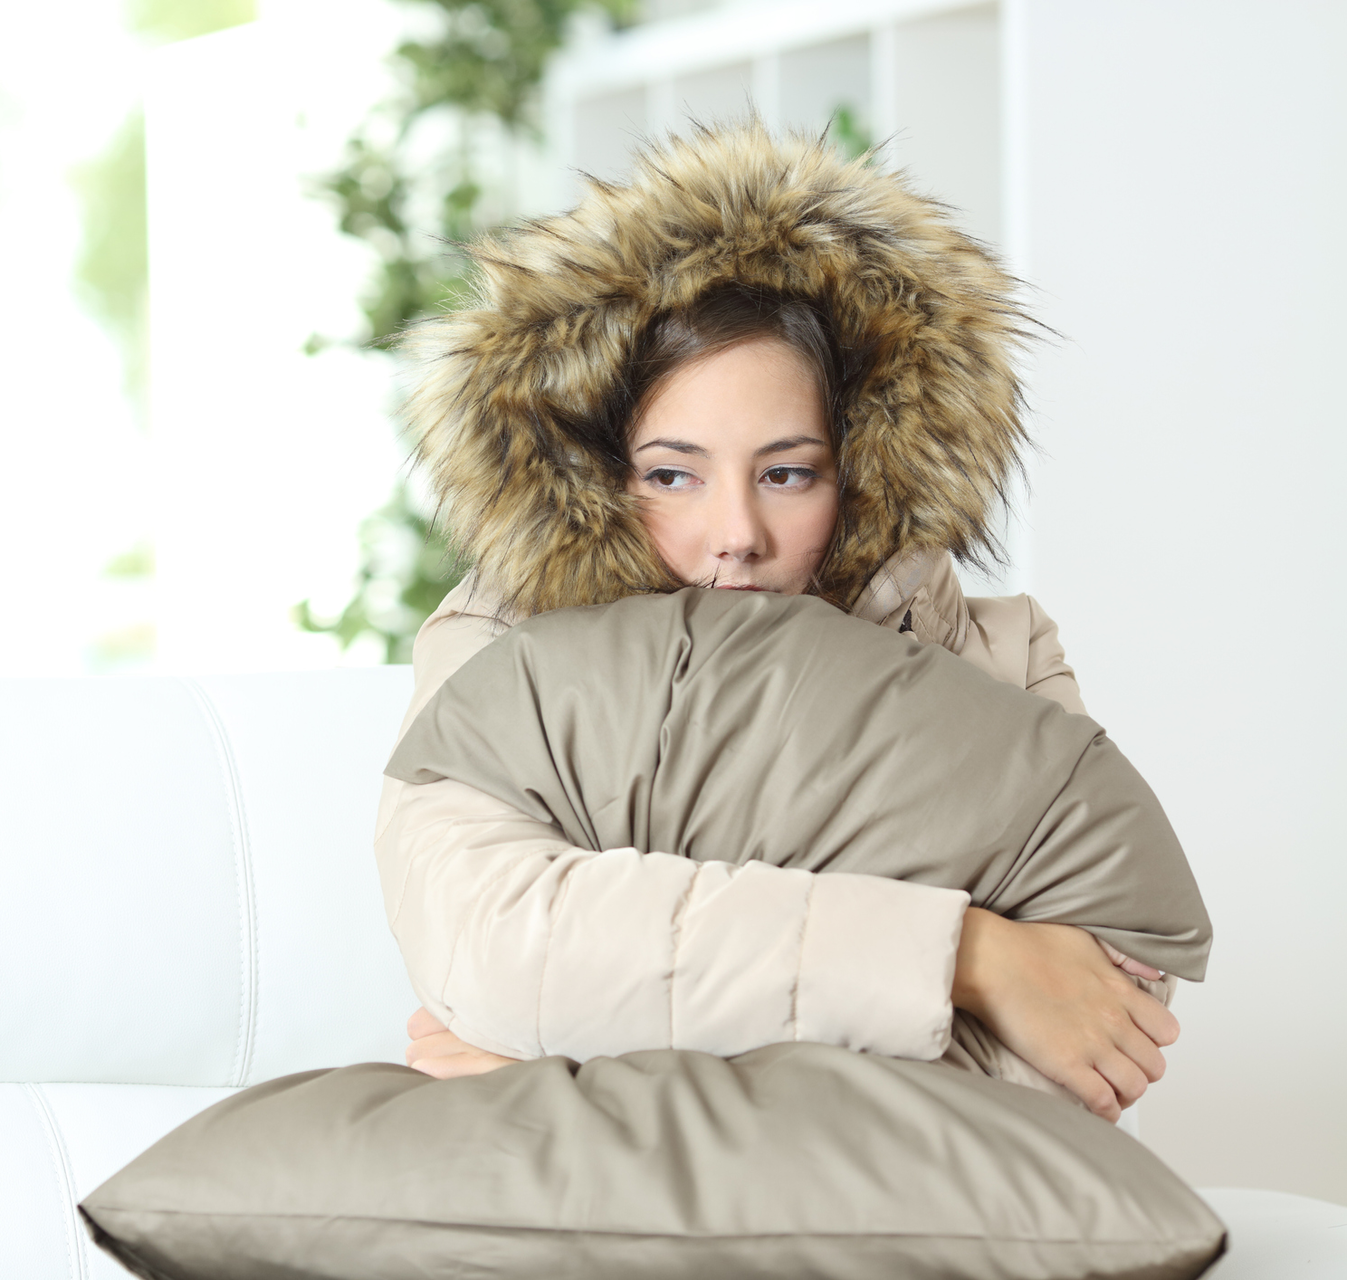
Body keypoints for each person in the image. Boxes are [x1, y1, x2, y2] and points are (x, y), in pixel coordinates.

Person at [374, 122, 1177, 1123]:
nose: (736, 535)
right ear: (594, 469)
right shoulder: (496, 650)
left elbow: (1087, 1040)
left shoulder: (997, 652)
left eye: (788, 473)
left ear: (867, 468)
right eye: (673, 474)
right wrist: (967, 954)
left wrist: (581, 1077)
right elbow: (497, 949)